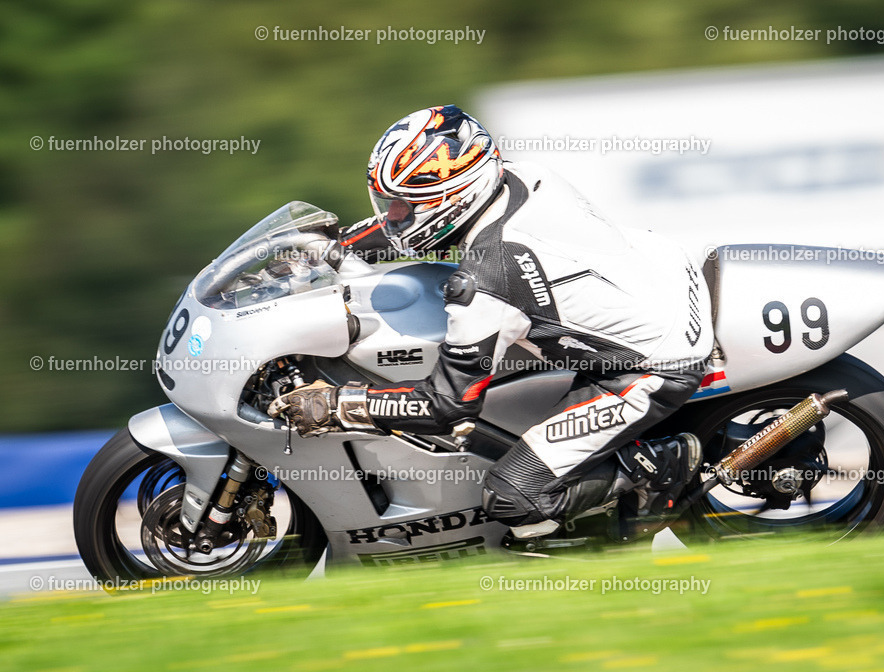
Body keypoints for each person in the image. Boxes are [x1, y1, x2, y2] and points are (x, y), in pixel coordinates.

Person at [269, 105, 713, 541]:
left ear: (453, 196)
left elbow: (444, 406)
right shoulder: (518, 176)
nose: (394, 216)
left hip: (650, 367)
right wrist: (325, 252)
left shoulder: (488, 279)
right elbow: (406, 229)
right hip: (663, 273)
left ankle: (655, 464)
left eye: (405, 205)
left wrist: (338, 404)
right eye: (391, 203)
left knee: (513, 498)